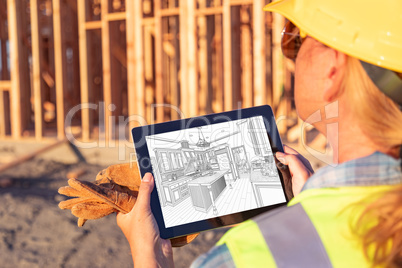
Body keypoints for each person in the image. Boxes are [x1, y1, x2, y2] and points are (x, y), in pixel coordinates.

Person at [117, 0, 402, 267]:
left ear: (332, 69)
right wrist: (313, 200)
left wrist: (149, 256)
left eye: (297, 38)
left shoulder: (245, 256)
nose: (291, 56)